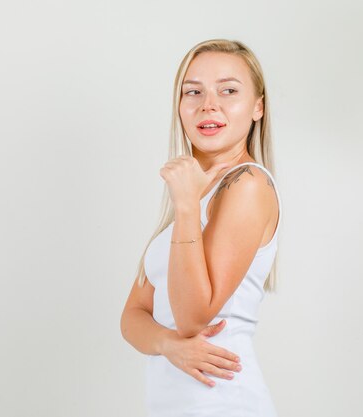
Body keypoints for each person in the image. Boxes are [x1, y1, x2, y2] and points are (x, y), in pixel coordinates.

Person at [120, 38, 281, 417]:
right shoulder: (195, 194)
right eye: (193, 91)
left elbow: (194, 317)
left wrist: (188, 205)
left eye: (228, 90)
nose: (209, 104)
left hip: (223, 403)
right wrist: (168, 344)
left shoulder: (248, 185)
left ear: (258, 107)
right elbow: (133, 316)